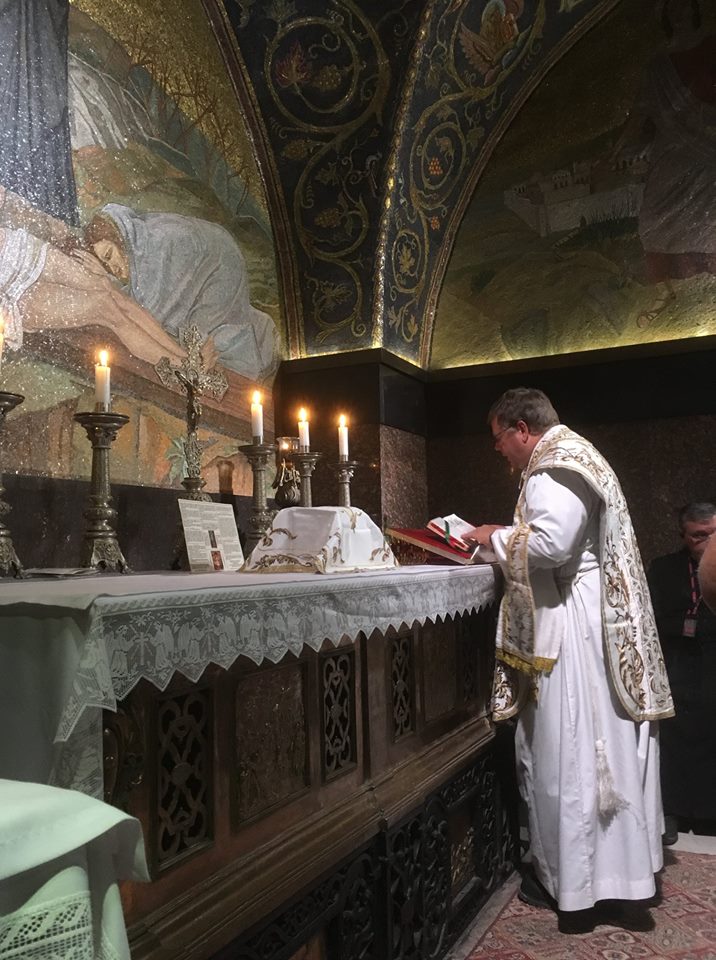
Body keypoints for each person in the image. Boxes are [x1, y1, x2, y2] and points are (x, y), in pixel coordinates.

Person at [465, 388, 673, 922]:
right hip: (587, 616)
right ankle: (617, 875)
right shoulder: (577, 453)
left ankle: (576, 885)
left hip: (571, 627)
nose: (499, 451)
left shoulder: (551, 467)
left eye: (499, 439)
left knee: (567, 748)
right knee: (597, 748)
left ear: (521, 429)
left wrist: (492, 535)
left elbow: (553, 544)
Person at [82, 204, 280, 382]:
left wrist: (109, 286)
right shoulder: (139, 248)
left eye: (109, 255)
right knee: (183, 344)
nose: (112, 267)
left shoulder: (154, 246)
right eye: (106, 265)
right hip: (204, 273)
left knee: (197, 346)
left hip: (220, 271)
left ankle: (257, 347)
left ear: (120, 238)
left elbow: (147, 315)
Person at [647, 502, 716, 842]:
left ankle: (708, 813)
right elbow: (650, 617)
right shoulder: (663, 569)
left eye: (713, 533)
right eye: (698, 536)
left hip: (713, 663)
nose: (706, 542)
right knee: (673, 738)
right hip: (676, 662)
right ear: (684, 536)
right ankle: (671, 810)